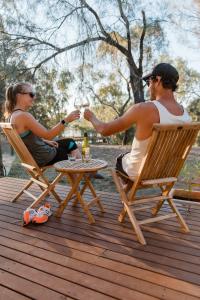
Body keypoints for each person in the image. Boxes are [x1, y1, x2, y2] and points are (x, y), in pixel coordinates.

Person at [84, 63, 192, 180]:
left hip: (139, 172)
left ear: (158, 80)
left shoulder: (143, 109)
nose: (149, 87)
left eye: (149, 82)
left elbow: (104, 130)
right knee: (127, 159)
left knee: (121, 160)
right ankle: (129, 195)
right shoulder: (186, 116)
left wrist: (91, 117)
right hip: (167, 172)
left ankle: (126, 197)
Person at [4, 82, 82, 167]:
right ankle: (82, 173)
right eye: (31, 94)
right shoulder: (23, 116)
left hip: (34, 157)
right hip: (44, 157)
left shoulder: (12, 115)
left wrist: (44, 141)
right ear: (19, 96)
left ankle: (83, 172)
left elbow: (25, 139)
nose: (34, 97)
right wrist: (66, 120)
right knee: (68, 150)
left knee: (70, 142)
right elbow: (48, 135)